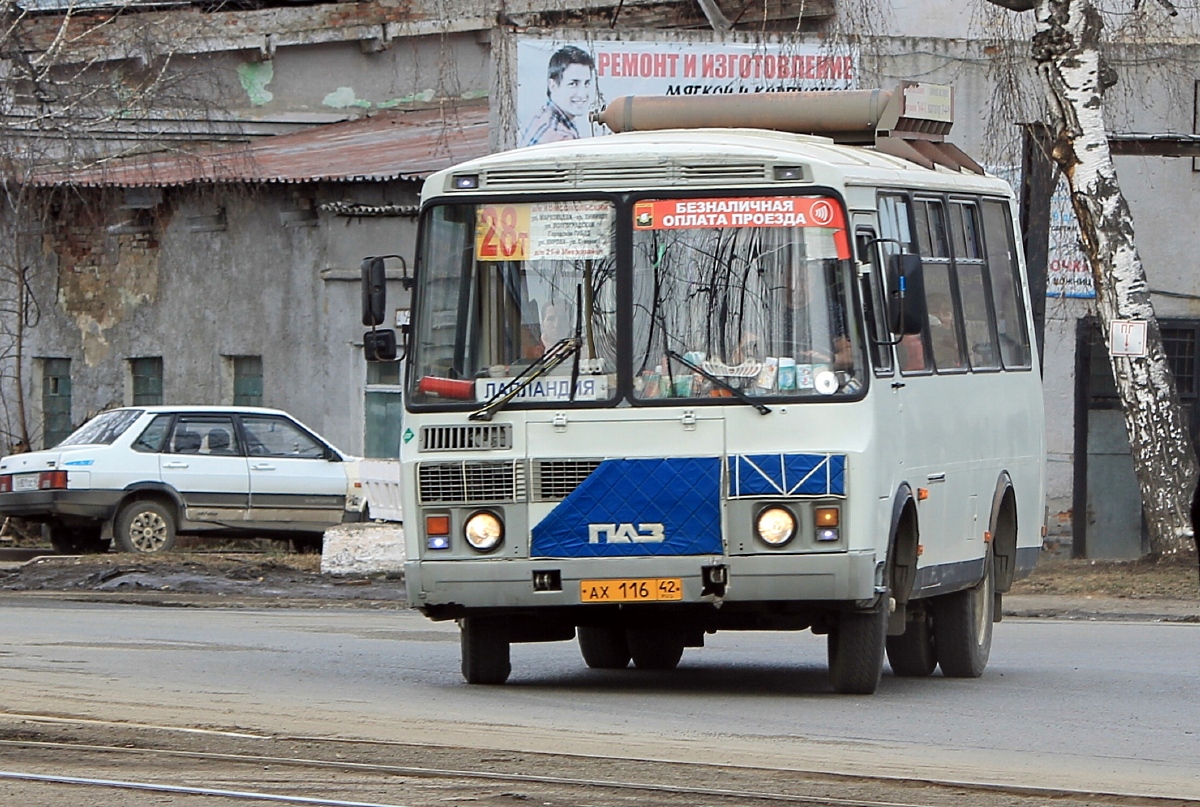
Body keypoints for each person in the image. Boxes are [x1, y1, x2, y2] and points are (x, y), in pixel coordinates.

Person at [519, 46, 596, 148]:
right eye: (573, 84)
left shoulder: (544, 116)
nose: (582, 94)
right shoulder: (559, 136)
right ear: (553, 85)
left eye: (586, 83)